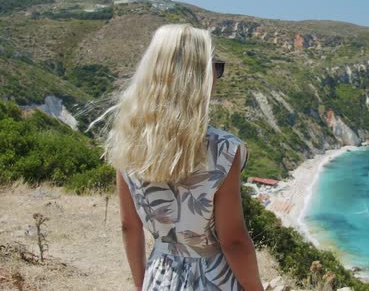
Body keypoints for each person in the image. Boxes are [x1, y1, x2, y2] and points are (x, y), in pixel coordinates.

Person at [89, 23, 264, 290]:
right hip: (213, 277)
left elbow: (129, 227)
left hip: (159, 273)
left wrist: (142, 284)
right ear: (198, 76)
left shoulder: (128, 139)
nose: (218, 75)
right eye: (214, 66)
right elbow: (234, 241)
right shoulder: (223, 149)